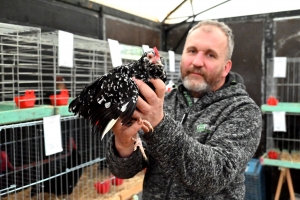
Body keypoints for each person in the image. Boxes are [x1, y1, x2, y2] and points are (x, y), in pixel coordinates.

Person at [106, 19, 262, 199]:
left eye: (210, 55)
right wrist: (124, 144)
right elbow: (124, 171)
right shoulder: (163, 101)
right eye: (192, 51)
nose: (197, 61)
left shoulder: (242, 111)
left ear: (226, 67)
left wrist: (159, 124)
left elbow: (214, 177)